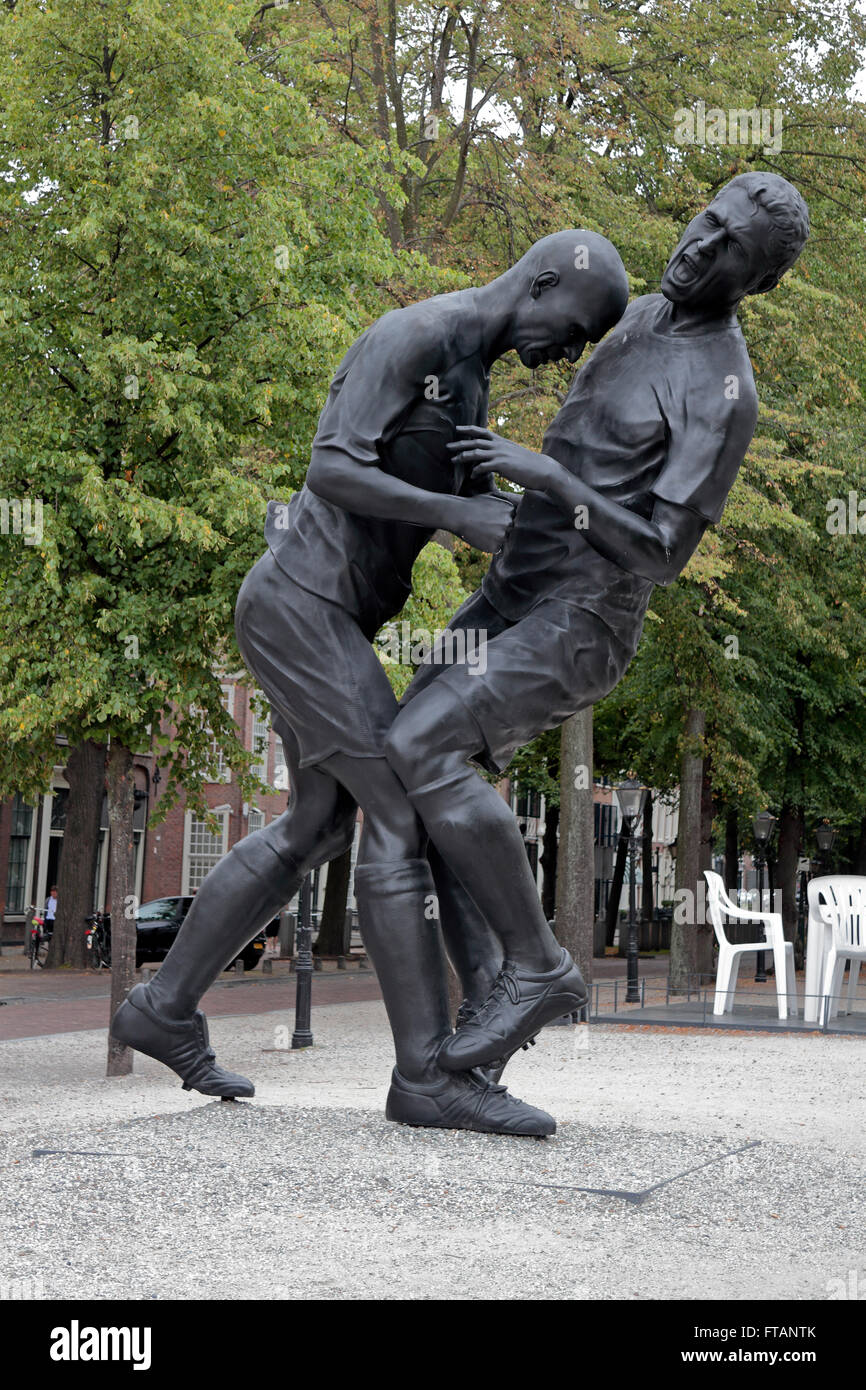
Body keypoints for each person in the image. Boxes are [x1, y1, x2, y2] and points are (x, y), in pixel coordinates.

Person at [111, 231, 630, 1135]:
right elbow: (329, 466)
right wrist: (456, 512)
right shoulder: (419, 333)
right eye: (577, 327)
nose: (570, 351)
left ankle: (163, 1007)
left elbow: (465, 505)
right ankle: (426, 1078)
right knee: (402, 803)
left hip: (327, 619)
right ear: (543, 282)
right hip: (299, 603)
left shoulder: (468, 374)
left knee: (318, 821)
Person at [385, 173, 810, 1073]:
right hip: (513, 589)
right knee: (405, 774)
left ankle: (541, 967)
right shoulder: (644, 312)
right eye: (707, 218)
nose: (700, 244)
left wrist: (548, 480)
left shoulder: (726, 392)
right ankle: (483, 1041)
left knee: (422, 744)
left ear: (759, 283)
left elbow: (661, 552)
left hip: (583, 618)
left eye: (729, 245)